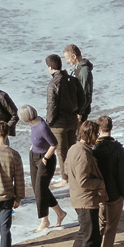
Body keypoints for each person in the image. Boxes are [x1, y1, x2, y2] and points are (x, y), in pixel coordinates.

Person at [64, 120, 109, 247]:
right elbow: (84, 181)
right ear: (89, 134)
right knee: (92, 239)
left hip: (77, 198)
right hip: (86, 200)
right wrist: (100, 183)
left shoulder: (73, 148)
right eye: (96, 134)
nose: (97, 138)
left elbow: (67, 171)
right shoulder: (83, 153)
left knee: (84, 232)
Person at [21, 104, 67, 232]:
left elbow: (54, 144)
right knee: (39, 189)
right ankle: (60, 213)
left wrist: (45, 159)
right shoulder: (34, 123)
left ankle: (44, 220)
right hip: (34, 155)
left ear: (27, 119)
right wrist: (33, 147)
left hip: (45, 159)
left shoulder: (42, 126)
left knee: (40, 190)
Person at [92, 115, 124, 247]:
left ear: (98, 129)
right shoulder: (118, 148)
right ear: (111, 128)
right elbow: (122, 173)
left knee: (99, 226)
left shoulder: (93, 148)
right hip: (114, 193)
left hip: (98, 193)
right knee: (111, 227)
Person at [45, 54, 82, 184]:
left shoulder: (53, 84)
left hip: (59, 124)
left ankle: (65, 178)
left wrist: (48, 123)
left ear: (50, 67)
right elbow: (82, 99)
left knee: (61, 152)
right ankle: (76, 173)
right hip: (72, 120)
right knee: (72, 148)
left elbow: (51, 106)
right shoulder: (73, 80)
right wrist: (78, 112)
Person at [64, 45, 95, 125]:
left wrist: (80, 112)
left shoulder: (84, 71)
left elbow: (86, 93)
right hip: (76, 109)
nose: (67, 61)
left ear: (74, 56)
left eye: (67, 58)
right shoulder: (77, 69)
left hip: (81, 111)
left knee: (79, 135)